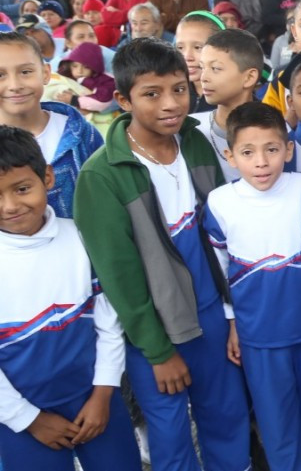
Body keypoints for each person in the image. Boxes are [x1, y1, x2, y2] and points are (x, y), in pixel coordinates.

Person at [74, 40, 251, 471]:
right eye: (152, 94)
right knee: (170, 433)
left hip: (212, 315)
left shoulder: (193, 140)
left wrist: (231, 316)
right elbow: (118, 276)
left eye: (179, 88)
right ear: (122, 100)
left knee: (227, 415)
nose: (171, 104)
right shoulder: (102, 174)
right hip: (158, 331)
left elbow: (220, 231)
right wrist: (157, 351)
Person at [202, 102, 301, 471]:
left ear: (288, 149)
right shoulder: (220, 203)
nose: (261, 162)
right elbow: (220, 270)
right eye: (248, 152)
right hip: (257, 337)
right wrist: (232, 322)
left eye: (271, 149)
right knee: (277, 422)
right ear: (230, 155)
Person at [0, 126, 142, 471]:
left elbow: (109, 321)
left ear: (47, 177)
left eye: (22, 188)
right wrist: (28, 419)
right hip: (20, 419)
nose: (10, 206)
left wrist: (103, 393)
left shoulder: (81, 236)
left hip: (95, 402)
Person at [0, 32, 103, 218]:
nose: (14, 85)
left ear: (46, 73)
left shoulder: (81, 134)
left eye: (25, 72)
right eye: (0, 75)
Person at [191, 29, 264, 182]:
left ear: (249, 77)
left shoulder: (277, 131)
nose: (203, 77)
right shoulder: (191, 130)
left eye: (215, 69)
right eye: (202, 67)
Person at [174, 11, 223, 114]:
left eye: (197, 47)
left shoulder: (231, 97)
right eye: (180, 48)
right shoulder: (172, 94)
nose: (187, 57)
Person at [57, 42, 116, 113]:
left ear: (95, 67)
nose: (79, 71)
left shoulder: (106, 81)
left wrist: (74, 100)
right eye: (75, 66)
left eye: (86, 67)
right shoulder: (65, 75)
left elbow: (102, 101)